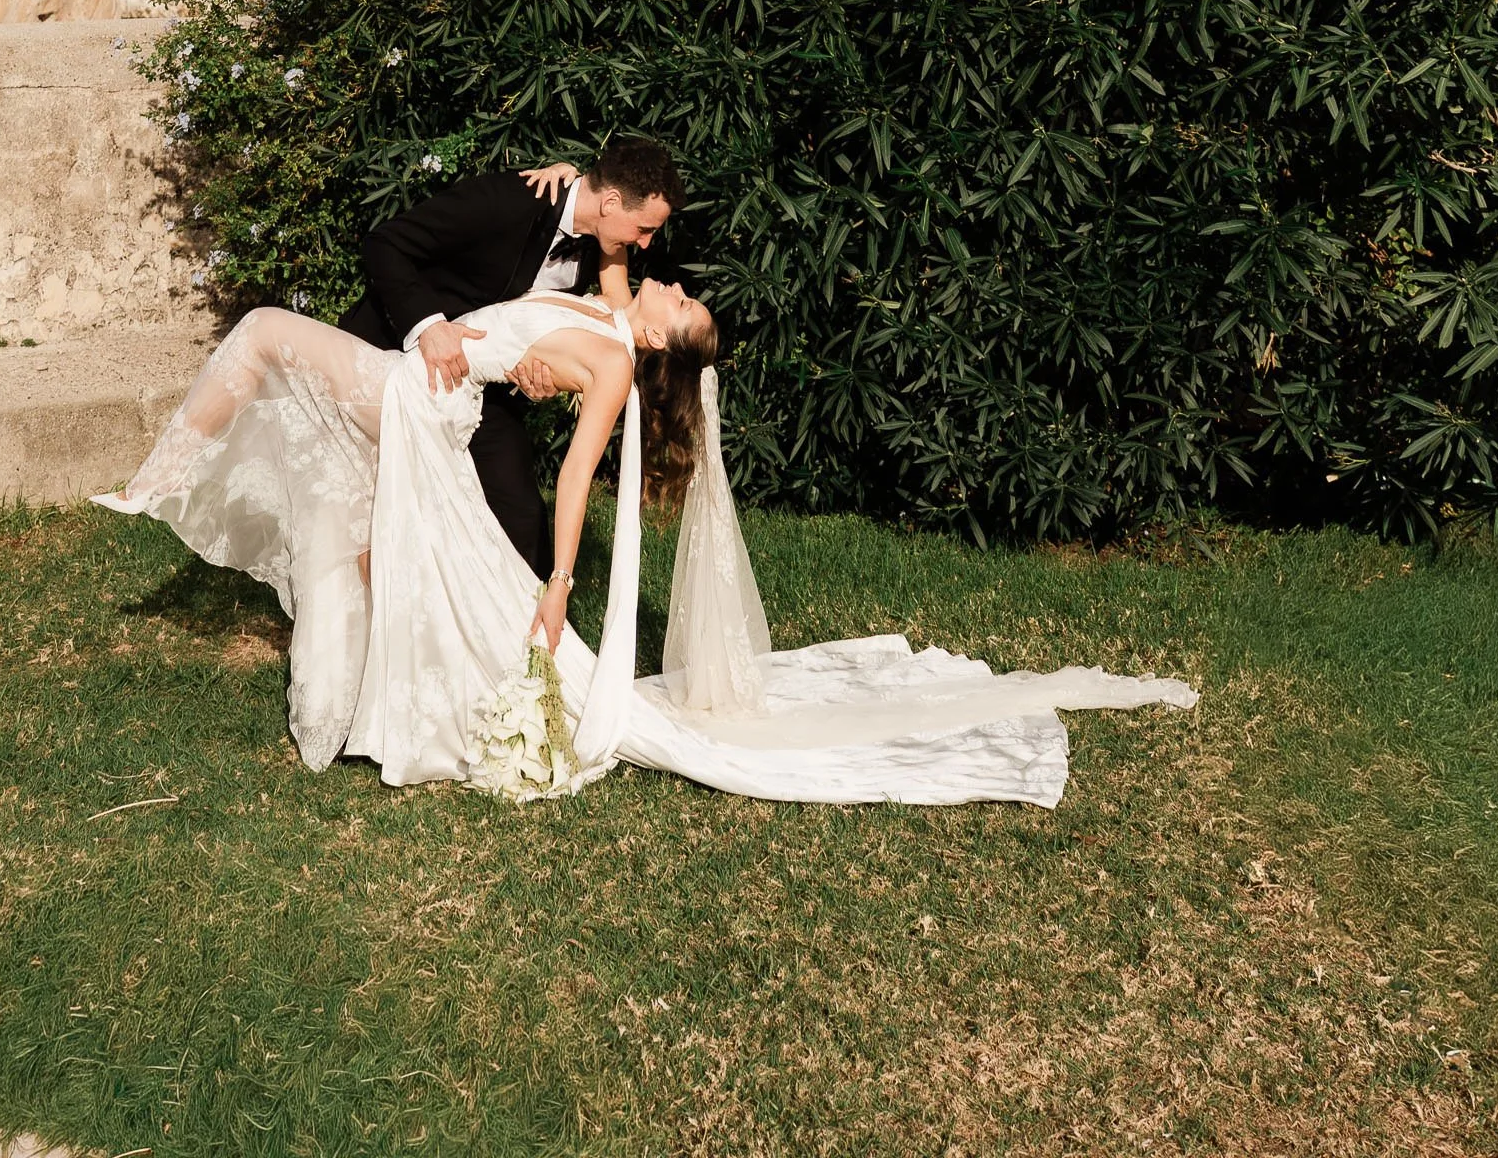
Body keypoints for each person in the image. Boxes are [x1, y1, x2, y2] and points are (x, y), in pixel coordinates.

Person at [95, 264, 1198, 807]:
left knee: (259, 336)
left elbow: (578, 471)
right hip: (431, 395)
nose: (670, 284)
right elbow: (598, 233)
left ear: (666, 343)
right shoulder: (606, 308)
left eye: (679, 304)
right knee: (353, 552)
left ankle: (154, 487)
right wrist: (554, 196)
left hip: (416, 402)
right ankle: (328, 715)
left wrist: (562, 576)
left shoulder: (619, 363)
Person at [338, 135, 682, 575]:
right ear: (611, 202)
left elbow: (607, 332)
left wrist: (541, 381)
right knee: (377, 512)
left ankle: (525, 633)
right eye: (645, 229)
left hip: (483, 389)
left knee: (523, 519)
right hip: (394, 349)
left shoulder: (602, 247)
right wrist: (428, 325)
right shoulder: (510, 199)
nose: (647, 243)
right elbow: (384, 244)